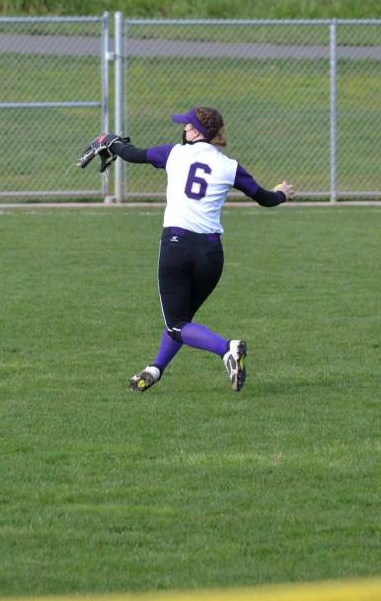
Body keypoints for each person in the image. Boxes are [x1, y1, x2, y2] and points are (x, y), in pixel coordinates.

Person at [100, 107, 294, 393]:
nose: (184, 129)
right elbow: (265, 198)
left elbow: (132, 154)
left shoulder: (174, 153)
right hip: (211, 255)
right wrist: (282, 194)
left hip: (177, 248)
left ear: (195, 132)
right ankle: (155, 369)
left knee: (177, 324)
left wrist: (109, 140)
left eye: (187, 126)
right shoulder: (230, 166)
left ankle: (228, 349)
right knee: (182, 321)